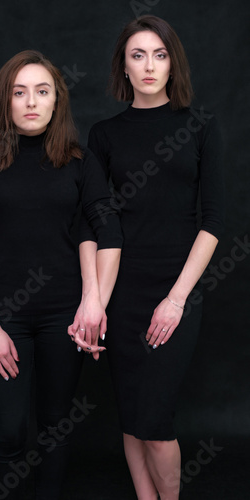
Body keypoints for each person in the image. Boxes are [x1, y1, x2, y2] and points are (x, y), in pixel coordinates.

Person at [0, 49, 122, 500]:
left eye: (42, 91)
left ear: (56, 101)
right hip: (4, 317)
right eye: (20, 91)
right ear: (5, 102)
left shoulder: (78, 162)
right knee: (10, 431)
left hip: (62, 316)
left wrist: (94, 301)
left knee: (54, 428)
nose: (31, 101)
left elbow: (106, 226)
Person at [73, 15, 225, 500]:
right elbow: (92, 224)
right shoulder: (104, 135)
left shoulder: (200, 127)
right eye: (137, 55)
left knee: (156, 419)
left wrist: (177, 299)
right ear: (123, 65)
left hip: (175, 289)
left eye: (159, 55)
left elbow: (215, 221)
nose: (149, 65)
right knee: (133, 415)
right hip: (122, 290)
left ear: (172, 64)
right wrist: (93, 298)